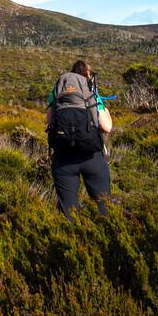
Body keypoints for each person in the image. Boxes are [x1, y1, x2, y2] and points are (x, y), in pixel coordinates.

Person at [46, 60, 113, 221]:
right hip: (92, 157)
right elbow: (107, 127)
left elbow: (49, 123)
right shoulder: (91, 92)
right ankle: (106, 240)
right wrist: (106, 111)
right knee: (104, 208)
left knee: (68, 213)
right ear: (88, 75)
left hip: (63, 159)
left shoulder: (56, 92)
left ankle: (72, 241)